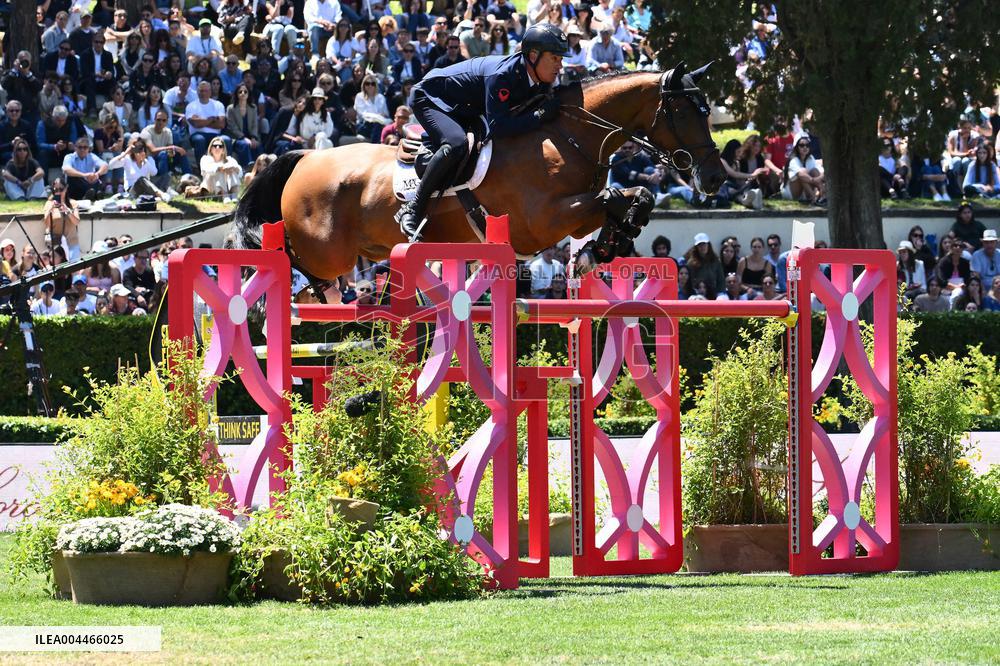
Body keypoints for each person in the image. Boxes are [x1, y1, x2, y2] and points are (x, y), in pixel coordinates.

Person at [395, 23, 567, 241]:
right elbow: (500, 127)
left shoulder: (538, 78)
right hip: (431, 98)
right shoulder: (502, 76)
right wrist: (540, 115)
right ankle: (413, 209)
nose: (560, 65)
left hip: (465, 106)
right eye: (555, 58)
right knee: (456, 144)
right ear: (533, 55)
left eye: (561, 59)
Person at [106, 137, 172, 201]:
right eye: (137, 150)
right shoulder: (127, 159)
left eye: (141, 149)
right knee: (141, 179)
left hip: (146, 189)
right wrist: (125, 153)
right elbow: (111, 165)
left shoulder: (149, 160)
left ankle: (161, 194)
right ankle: (161, 195)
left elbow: (154, 173)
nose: (138, 152)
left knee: (166, 176)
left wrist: (145, 161)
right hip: (132, 190)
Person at [141, 109, 192, 189]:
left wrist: (174, 151)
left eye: (163, 120)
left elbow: (170, 150)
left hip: (164, 161)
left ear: (167, 121)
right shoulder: (146, 131)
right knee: (163, 154)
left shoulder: (168, 132)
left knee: (181, 154)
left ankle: (190, 180)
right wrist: (172, 147)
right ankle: (163, 184)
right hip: (151, 162)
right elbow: (152, 150)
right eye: (158, 120)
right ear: (154, 120)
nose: (161, 122)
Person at [187, 80, 229, 163]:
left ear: (210, 92)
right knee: (200, 139)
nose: (203, 93)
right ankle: (201, 168)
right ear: (197, 92)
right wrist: (212, 119)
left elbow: (221, 124)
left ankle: (226, 166)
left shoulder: (218, 105)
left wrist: (201, 121)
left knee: (226, 139)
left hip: (215, 135)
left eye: (206, 91)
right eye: (201, 91)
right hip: (197, 134)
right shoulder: (191, 106)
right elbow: (195, 124)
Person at [2, 52, 43, 127]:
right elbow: (4, 85)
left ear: (30, 62)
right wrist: (14, 70)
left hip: (30, 112)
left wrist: (28, 74)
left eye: (26, 61)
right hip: (13, 112)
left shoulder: (35, 73)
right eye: (22, 60)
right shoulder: (11, 73)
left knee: (31, 136)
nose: (24, 63)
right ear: (17, 61)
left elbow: (39, 87)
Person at [226, 83, 263, 167]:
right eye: (240, 91)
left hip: (251, 137)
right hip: (237, 137)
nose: (243, 93)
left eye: (245, 91)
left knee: (258, 145)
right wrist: (244, 138)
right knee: (244, 145)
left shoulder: (253, 107)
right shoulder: (231, 108)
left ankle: (260, 168)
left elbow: (254, 125)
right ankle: (247, 167)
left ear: (248, 94)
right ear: (236, 94)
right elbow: (232, 127)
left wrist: (253, 138)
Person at [198, 136, 243, 202]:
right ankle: (225, 196)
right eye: (215, 146)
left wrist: (234, 168)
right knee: (220, 170)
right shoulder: (205, 159)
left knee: (232, 169)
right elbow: (205, 170)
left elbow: (240, 174)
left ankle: (234, 196)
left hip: (228, 186)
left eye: (220, 146)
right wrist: (220, 168)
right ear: (210, 149)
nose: (217, 148)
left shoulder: (230, 159)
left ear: (223, 150)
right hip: (211, 187)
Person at [37, 105, 78, 175]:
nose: (61, 123)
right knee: (43, 154)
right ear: (53, 117)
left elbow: (73, 139)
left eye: (63, 120)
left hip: (65, 151)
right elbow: (39, 143)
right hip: (50, 151)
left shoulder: (70, 122)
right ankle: (45, 182)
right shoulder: (43, 123)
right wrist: (54, 146)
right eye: (58, 120)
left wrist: (70, 145)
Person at [785, 135, 825, 204]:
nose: (805, 147)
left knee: (814, 171)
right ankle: (813, 198)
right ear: (797, 147)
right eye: (801, 145)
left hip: (804, 191)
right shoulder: (793, 160)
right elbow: (801, 175)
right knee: (803, 172)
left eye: (807, 145)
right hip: (791, 193)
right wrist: (816, 180)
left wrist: (820, 182)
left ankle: (823, 196)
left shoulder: (810, 158)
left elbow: (820, 171)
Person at [934, 238, 972, 307]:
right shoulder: (943, 262)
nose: (958, 248)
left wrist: (962, 285)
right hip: (946, 288)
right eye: (955, 245)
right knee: (957, 291)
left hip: (962, 288)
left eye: (960, 246)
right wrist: (956, 287)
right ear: (951, 248)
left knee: (958, 292)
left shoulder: (965, 263)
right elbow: (940, 279)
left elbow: (968, 278)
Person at [353, 75, 391, 143]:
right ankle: (376, 144)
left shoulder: (381, 97)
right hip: (364, 125)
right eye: (367, 84)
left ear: (375, 85)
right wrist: (377, 116)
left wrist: (381, 116)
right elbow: (363, 115)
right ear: (364, 85)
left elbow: (386, 113)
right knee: (377, 124)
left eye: (372, 84)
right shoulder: (359, 96)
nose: (370, 86)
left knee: (381, 124)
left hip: (380, 123)